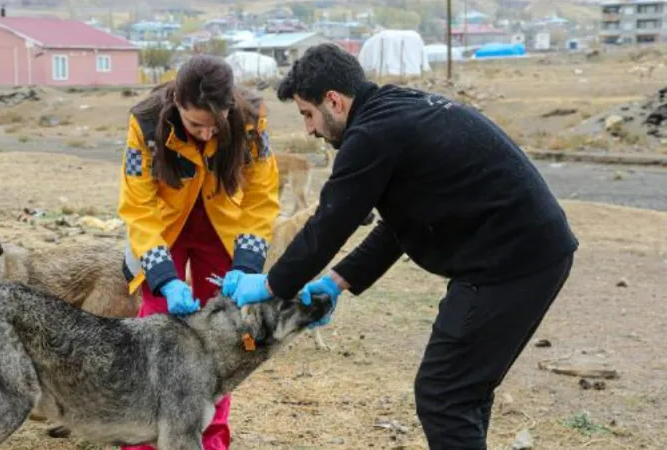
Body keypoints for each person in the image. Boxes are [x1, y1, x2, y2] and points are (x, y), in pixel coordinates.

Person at [222, 43, 579, 449]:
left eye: (307, 114)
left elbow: (329, 224)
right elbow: (401, 224)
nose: (309, 129)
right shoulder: (393, 112)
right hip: (527, 252)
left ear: (333, 101)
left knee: (443, 394)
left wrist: (271, 286)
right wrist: (337, 282)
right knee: (462, 392)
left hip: (508, 264)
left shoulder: (371, 135)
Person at [117, 54, 280, 450]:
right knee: (153, 332)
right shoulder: (144, 122)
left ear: (230, 109)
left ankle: (211, 437)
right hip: (163, 229)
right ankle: (141, 438)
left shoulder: (251, 119)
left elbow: (261, 195)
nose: (206, 135)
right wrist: (165, 279)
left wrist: (247, 263)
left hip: (221, 226)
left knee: (222, 335)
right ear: (176, 103)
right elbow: (138, 206)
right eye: (194, 125)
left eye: (215, 126)